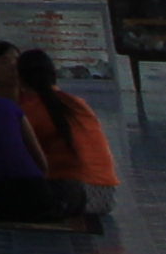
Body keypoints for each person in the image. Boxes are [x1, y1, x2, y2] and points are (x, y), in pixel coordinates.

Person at [0, 47, 83, 223]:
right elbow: (39, 161)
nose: (13, 66)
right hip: (30, 189)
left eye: (17, 60)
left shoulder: (31, 102)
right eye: (5, 61)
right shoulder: (4, 106)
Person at [13, 50, 116, 223]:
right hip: (105, 195)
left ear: (20, 78)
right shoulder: (75, 102)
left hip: (70, 193)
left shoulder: (30, 109)